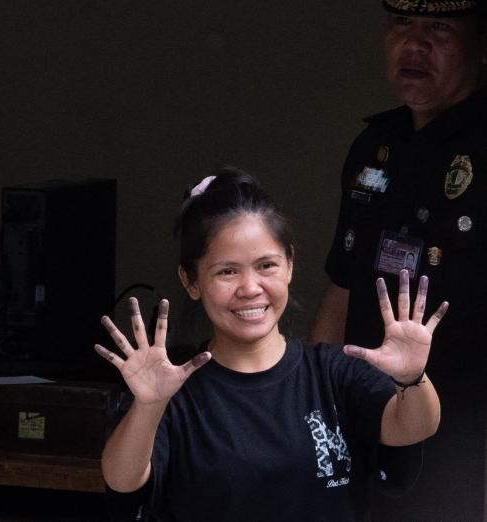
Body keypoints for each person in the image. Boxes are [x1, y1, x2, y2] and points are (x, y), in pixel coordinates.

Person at [95, 169, 447, 521]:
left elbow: (413, 427)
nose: (250, 288)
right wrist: (149, 407)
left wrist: (411, 378)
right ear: (191, 281)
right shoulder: (172, 389)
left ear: (289, 264)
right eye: (227, 271)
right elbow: (123, 482)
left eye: (266, 265)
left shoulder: (333, 372)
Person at [310, 0, 487, 518]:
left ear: (481, 44)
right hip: (368, 421)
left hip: (465, 437)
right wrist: (309, 409)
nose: (415, 44)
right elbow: (343, 288)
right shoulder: (375, 146)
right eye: (402, 24)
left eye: (439, 28)